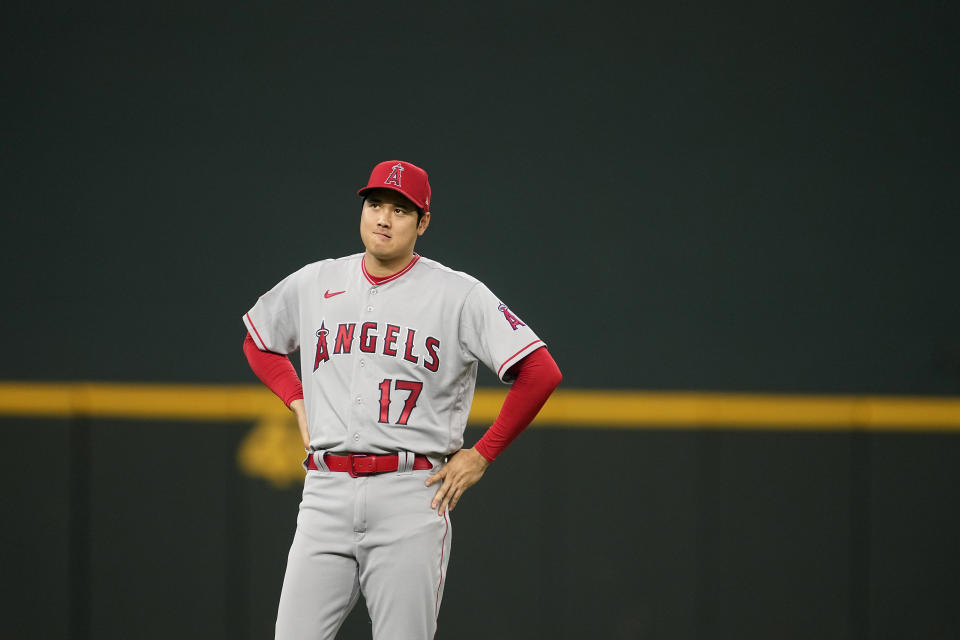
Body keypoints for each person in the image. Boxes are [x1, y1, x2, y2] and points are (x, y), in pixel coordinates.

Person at [241, 159, 562, 639]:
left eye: (400, 209)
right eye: (375, 205)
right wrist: (295, 398)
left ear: (423, 222)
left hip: (411, 494)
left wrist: (482, 454)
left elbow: (540, 370)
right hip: (325, 492)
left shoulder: (457, 294)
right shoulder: (315, 282)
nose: (384, 219)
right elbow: (258, 339)